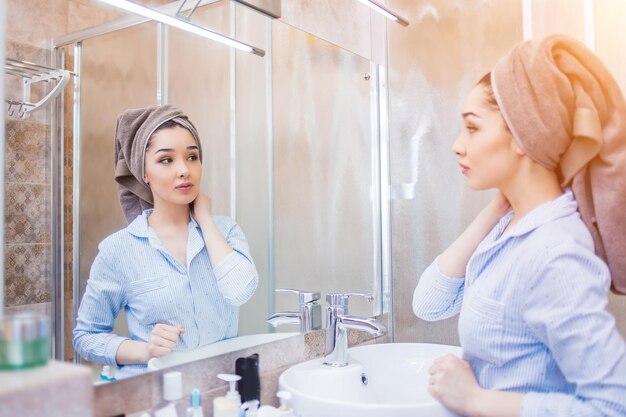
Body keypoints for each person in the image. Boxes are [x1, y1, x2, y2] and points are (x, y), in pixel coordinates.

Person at [413, 35, 626, 416]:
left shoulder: (554, 253)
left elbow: (612, 406)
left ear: (523, 135)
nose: (457, 146)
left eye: (473, 128)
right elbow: (428, 304)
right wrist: (496, 209)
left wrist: (476, 399)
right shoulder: (512, 227)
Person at [74, 105, 259, 378]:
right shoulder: (119, 250)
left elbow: (240, 291)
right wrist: (145, 350)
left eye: (192, 157)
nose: (184, 170)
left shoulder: (225, 231)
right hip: (156, 396)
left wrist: (205, 221)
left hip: (221, 392)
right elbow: (86, 336)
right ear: (144, 173)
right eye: (166, 160)